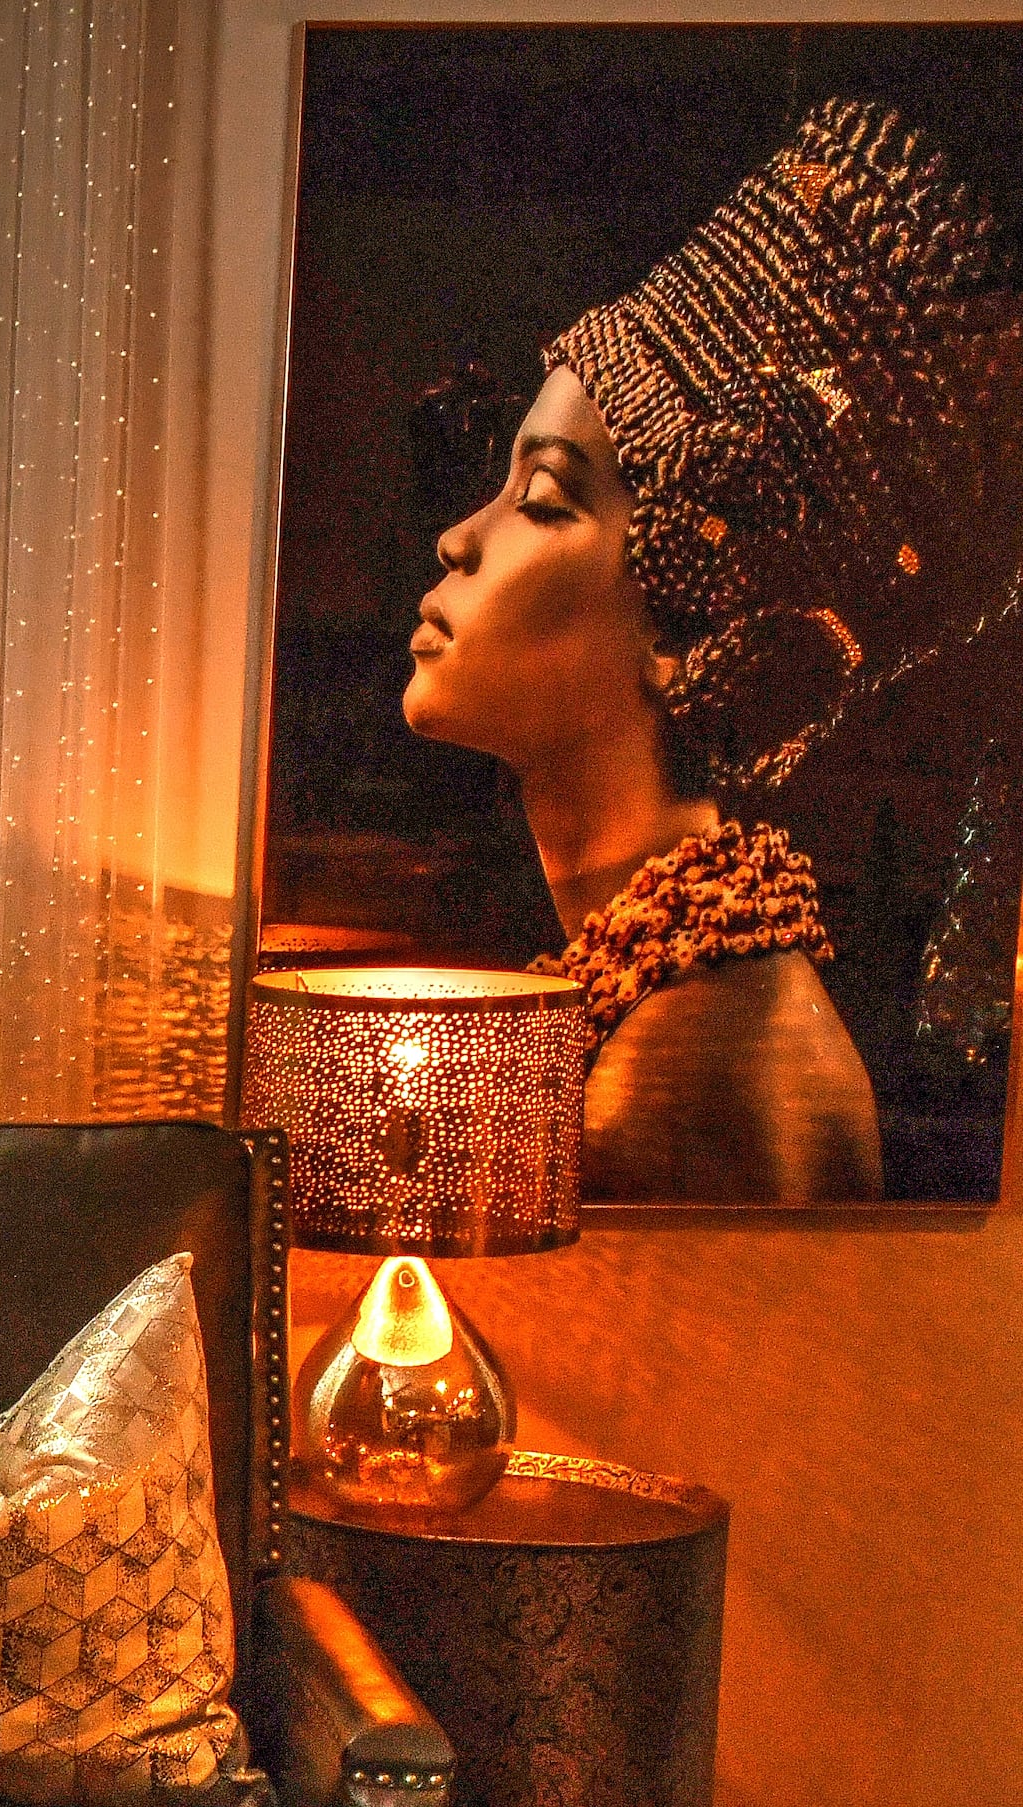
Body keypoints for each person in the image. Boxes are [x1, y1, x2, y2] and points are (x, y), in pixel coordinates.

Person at [406, 97, 1023, 1203]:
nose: (461, 538)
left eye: (542, 501)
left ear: (692, 633)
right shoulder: (659, 997)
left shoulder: (682, 1072)